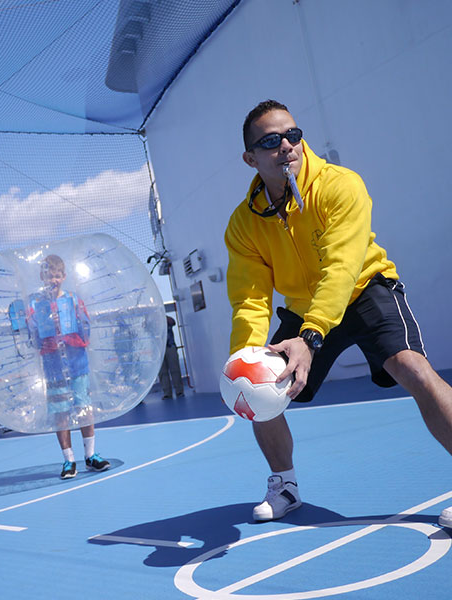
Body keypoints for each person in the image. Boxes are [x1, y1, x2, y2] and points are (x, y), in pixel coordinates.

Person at [225, 99, 452, 526]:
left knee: (413, 369)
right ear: (250, 158)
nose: (287, 146)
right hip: (303, 307)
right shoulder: (243, 224)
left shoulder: (339, 185)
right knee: (261, 392)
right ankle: (285, 485)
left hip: (364, 288)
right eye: (271, 141)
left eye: (293, 134)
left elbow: (342, 267)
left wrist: (311, 337)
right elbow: (250, 298)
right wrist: (245, 357)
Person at [26, 254, 110, 480]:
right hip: (53, 366)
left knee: (84, 408)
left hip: (76, 363)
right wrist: (43, 324)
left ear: (63, 276)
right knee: (60, 413)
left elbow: (86, 327)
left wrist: (73, 327)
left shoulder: (73, 300)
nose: (53, 280)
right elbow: (33, 337)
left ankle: (91, 455)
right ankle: (68, 459)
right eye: (48, 276)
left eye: (56, 276)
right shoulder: (36, 305)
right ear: (42, 277)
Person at [159, 315, 184, 399]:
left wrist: (162, 317)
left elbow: (173, 322)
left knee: (175, 369)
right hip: (159, 349)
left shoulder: (166, 318)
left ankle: (179, 391)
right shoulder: (151, 321)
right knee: (162, 372)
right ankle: (167, 393)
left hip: (170, 346)